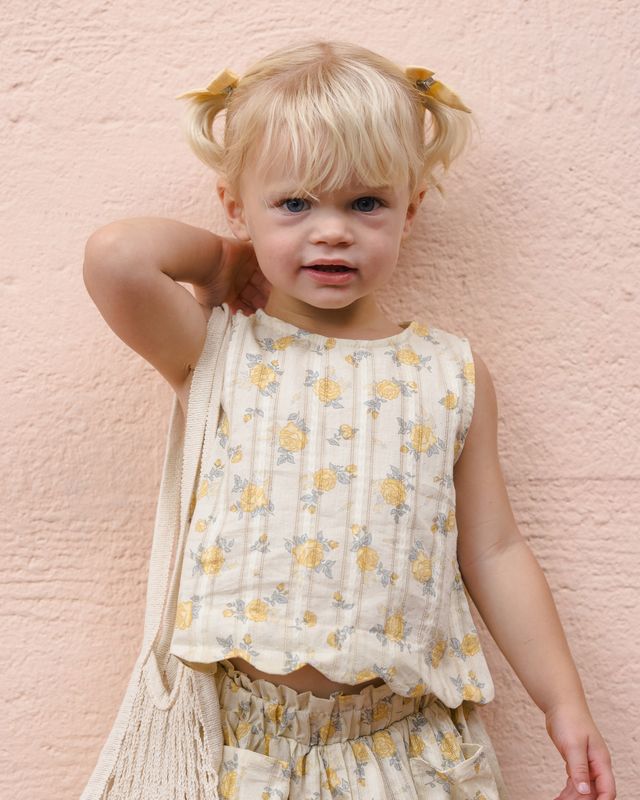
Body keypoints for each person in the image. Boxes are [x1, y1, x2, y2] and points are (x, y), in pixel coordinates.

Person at [83, 40, 616, 800]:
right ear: (237, 205)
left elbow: (494, 550)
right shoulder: (221, 348)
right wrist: (222, 260)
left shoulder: (447, 373)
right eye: (294, 204)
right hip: (242, 752)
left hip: (406, 753)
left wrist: (563, 703)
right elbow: (116, 257)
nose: (331, 231)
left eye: (365, 203)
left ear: (411, 208)